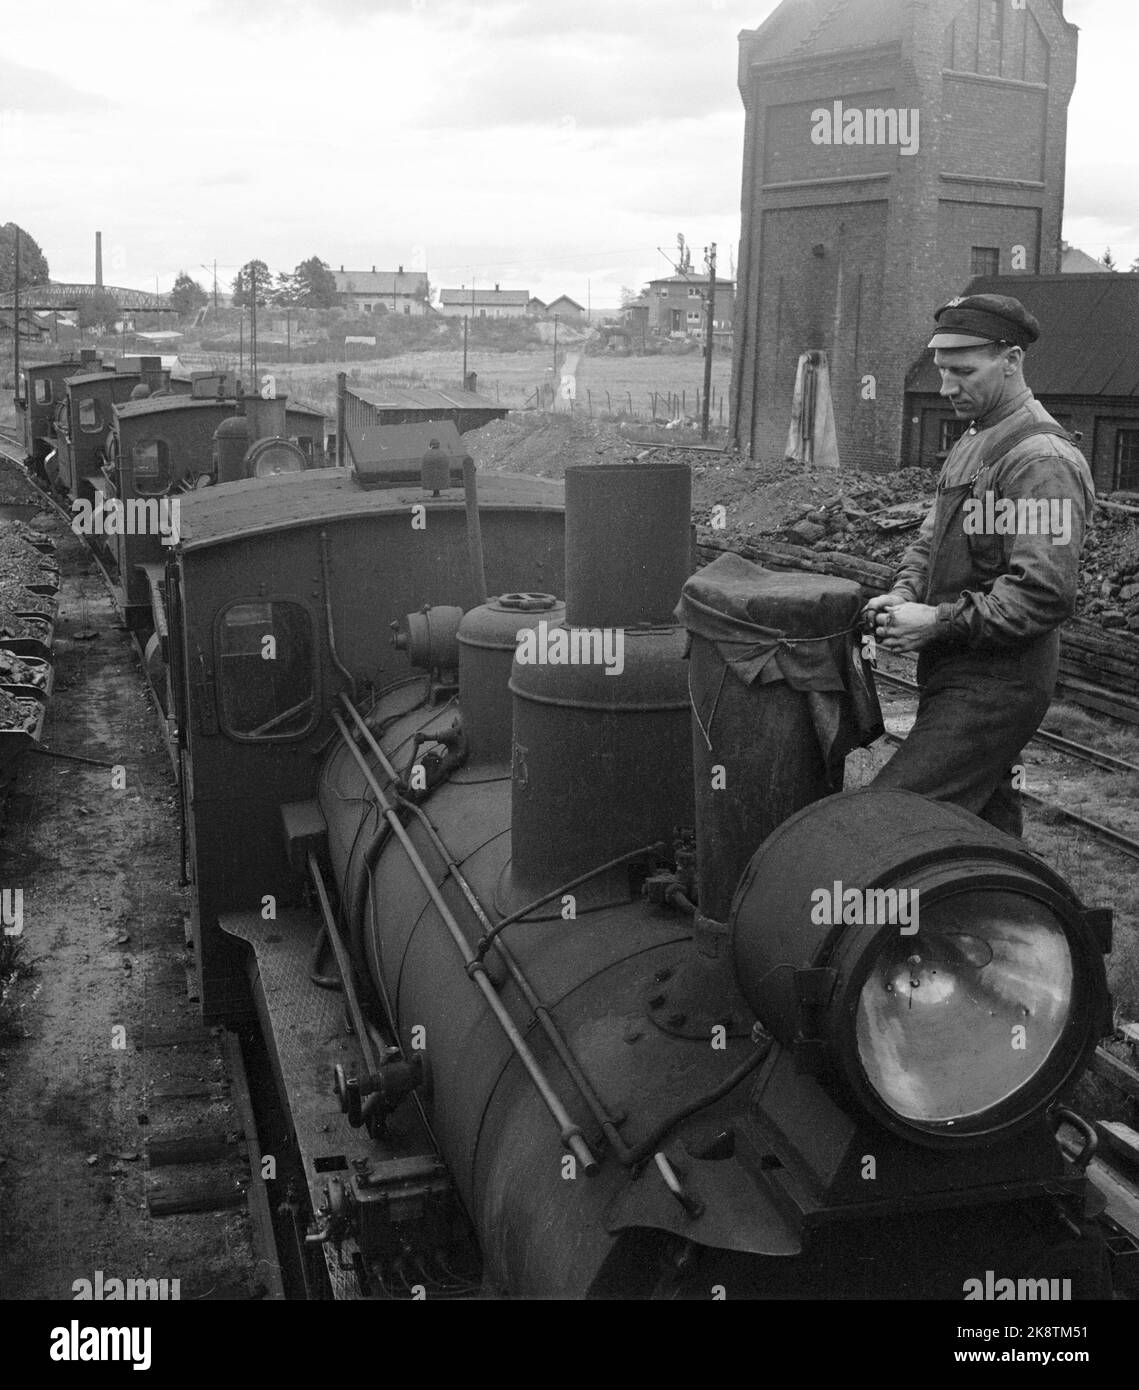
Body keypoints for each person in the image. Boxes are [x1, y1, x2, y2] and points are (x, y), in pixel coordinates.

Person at [863, 293, 1095, 837]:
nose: (947, 388)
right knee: (985, 834)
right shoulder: (974, 439)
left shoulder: (1042, 461)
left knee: (890, 821)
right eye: (943, 371)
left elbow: (1042, 595)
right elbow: (933, 539)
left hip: (997, 683)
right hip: (956, 668)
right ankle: (1014, 921)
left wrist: (937, 621)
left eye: (963, 371)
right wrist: (904, 594)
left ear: (1011, 360)